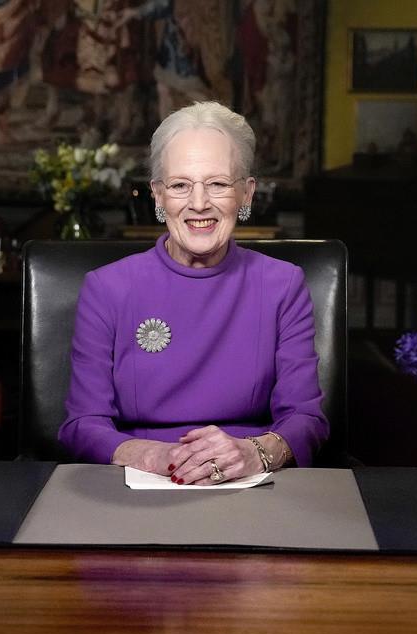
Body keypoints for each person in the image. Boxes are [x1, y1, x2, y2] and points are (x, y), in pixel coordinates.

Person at [58, 101, 328, 484]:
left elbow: (307, 419)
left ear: (246, 194)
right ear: (157, 195)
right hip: (138, 484)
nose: (199, 204)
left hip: (249, 485)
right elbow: (82, 424)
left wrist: (254, 452)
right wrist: (159, 457)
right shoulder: (107, 288)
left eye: (218, 184)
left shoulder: (283, 284)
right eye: (181, 185)